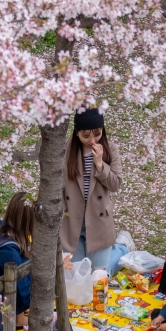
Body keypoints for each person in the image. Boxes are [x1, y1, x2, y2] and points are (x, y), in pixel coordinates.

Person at [60, 107, 135, 276]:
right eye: (86, 135)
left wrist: (100, 164)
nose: (92, 140)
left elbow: (115, 185)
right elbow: (58, 184)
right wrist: (62, 208)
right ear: (76, 133)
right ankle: (121, 247)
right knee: (78, 275)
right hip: (73, 219)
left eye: (97, 133)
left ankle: (122, 248)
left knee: (99, 276)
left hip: (99, 219)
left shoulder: (110, 149)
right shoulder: (66, 151)